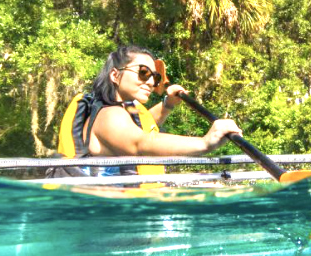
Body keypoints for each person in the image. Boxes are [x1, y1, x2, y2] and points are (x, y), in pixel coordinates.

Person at [49, 45, 242, 178]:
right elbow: (139, 142)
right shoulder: (109, 115)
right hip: (113, 227)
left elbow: (147, 123)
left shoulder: (120, 110)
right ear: (115, 75)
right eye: (143, 72)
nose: (151, 82)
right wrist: (204, 143)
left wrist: (168, 104)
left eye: (155, 77)